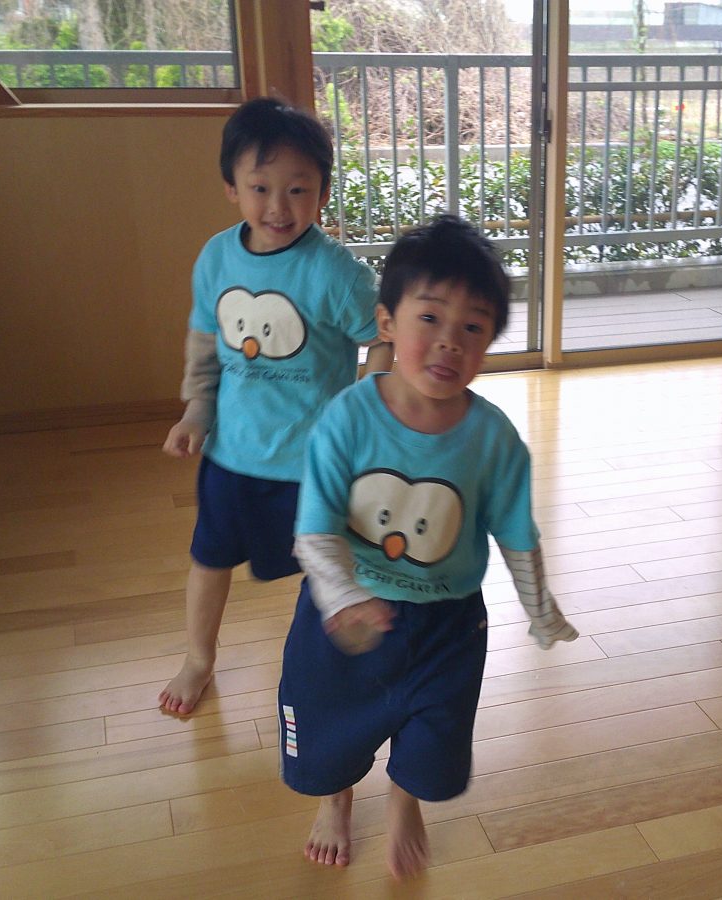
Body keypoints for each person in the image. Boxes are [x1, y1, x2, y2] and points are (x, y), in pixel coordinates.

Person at [277, 215, 578, 879]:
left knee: (433, 732)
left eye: (472, 327)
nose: (449, 341)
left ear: (489, 342)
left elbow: (516, 534)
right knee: (329, 722)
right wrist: (343, 595)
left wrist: (540, 609)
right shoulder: (348, 418)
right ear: (387, 322)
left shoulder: (494, 438)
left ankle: (404, 799)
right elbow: (315, 526)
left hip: (449, 621)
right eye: (431, 318)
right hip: (346, 615)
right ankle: (336, 798)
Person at [159, 97, 394, 715]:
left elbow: (382, 336)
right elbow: (205, 338)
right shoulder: (217, 258)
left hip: (313, 464)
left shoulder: (335, 273)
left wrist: (369, 404)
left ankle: (339, 675)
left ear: (322, 193)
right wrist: (196, 410)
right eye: (260, 188)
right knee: (209, 559)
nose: (278, 207)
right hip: (232, 457)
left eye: (298, 189)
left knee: (329, 569)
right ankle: (198, 658)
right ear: (231, 188)